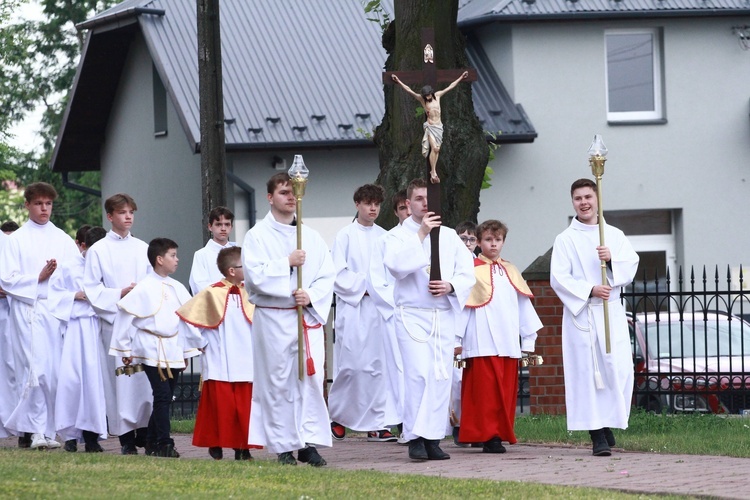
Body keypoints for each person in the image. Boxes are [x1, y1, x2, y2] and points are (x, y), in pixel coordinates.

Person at [242, 172, 335, 466]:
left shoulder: (311, 236)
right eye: (284, 192)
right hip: (274, 319)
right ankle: (283, 445)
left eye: (295, 192)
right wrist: (287, 264)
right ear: (270, 197)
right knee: (278, 382)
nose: (291, 197)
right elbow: (254, 278)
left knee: (310, 380)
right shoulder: (256, 236)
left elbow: (327, 275)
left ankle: (307, 442)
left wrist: (309, 295)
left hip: (305, 317)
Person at [382, 178, 475, 461]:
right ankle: (414, 437)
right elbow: (396, 265)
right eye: (419, 199)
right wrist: (421, 233)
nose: (425, 203)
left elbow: (467, 272)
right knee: (417, 375)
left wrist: (450, 286)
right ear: (408, 204)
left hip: (442, 314)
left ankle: (433, 437)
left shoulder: (448, 236)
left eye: (428, 199)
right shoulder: (396, 236)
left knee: (439, 376)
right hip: (413, 315)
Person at [550, 178, 639, 457]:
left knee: (618, 368)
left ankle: (610, 420)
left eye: (588, 196)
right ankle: (596, 434)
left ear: (598, 198)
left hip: (611, 311)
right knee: (589, 374)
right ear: (572, 202)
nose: (584, 202)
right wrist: (589, 289)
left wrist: (611, 260)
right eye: (578, 198)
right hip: (585, 314)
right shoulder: (565, 239)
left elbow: (631, 265)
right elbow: (558, 278)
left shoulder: (613, 234)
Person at [0, 182, 80, 449]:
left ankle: (47, 430)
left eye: (48, 204)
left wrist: (60, 285)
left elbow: (75, 276)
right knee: (34, 371)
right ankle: (33, 432)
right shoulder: (16, 240)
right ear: (27, 205)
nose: (44, 209)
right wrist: (38, 278)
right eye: (38, 203)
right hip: (27, 311)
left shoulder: (63, 240)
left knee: (53, 374)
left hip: (54, 311)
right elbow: (8, 279)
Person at [110, 238, 205, 458]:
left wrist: (189, 349)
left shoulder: (177, 287)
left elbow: (187, 320)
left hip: (172, 348)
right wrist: (125, 350)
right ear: (159, 259)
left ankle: (152, 441)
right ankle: (165, 442)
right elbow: (125, 317)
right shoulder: (144, 287)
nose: (177, 259)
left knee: (167, 396)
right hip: (150, 347)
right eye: (173, 255)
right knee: (162, 395)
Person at [459, 219, 542, 453]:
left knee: (504, 392)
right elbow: (464, 306)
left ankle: (499, 432)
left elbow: (523, 305)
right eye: (488, 239)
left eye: (498, 240)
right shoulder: (470, 270)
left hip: (507, 342)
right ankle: (487, 436)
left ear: (503, 242)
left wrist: (528, 340)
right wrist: (456, 340)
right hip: (481, 340)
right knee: (484, 393)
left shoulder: (510, 270)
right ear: (478, 241)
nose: (493, 245)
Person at [83, 193, 153, 455]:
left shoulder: (143, 248)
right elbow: (91, 288)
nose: (128, 217)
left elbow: (152, 282)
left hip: (139, 322)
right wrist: (119, 293)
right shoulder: (99, 250)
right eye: (122, 212)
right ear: (110, 216)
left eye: (131, 212)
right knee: (120, 380)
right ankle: (124, 436)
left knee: (142, 379)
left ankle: (144, 431)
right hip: (114, 322)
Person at [177, 246, 260, 461]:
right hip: (220, 357)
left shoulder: (251, 292)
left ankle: (243, 448)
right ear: (232, 270)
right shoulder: (211, 293)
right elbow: (187, 319)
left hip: (246, 358)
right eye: (244, 266)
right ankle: (216, 441)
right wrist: (201, 343)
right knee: (220, 405)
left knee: (244, 407)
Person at [328, 184, 396, 443]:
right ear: (357, 204)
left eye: (377, 204)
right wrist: (367, 287)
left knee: (378, 367)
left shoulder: (386, 237)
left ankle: (377, 424)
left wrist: (380, 290)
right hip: (354, 309)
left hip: (379, 311)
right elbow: (338, 273)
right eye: (368, 203)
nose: (373, 208)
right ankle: (340, 417)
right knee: (352, 365)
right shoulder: (345, 235)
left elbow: (392, 273)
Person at [50, 226, 108, 453]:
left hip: (97, 325)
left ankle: (92, 436)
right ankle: (71, 435)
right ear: (82, 246)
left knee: (94, 383)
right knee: (72, 380)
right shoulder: (68, 266)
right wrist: (75, 295)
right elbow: (54, 294)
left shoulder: (105, 265)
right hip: (75, 327)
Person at [367, 190, 410, 444]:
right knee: (399, 369)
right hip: (395, 313)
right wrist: (398, 304)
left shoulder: (431, 237)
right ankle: (404, 422)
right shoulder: (386, 240)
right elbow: (376, 280)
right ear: (396, 212)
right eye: (402, 209)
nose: (408, 212)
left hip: (423, 315)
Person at [391, 71, 469, 184]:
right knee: (435, 148)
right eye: (425, 95)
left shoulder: (437, 96)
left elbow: (450, 86)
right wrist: (398, 81)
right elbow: (409, 90)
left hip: (439, 126)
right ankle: (433, 171)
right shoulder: (422, 100)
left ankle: (433, 172)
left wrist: (461, 77)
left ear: (431, 93)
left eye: (428, 95)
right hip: (430, 127)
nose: (427, 97)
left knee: (437, 150)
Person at [189, 206, 237, 295]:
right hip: (213, 304)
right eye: (218, 224)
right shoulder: (201, 255)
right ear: (210, 227)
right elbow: (199, 286)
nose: (223, 228)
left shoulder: (239, 253)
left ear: (231, 227)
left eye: (227, 224)